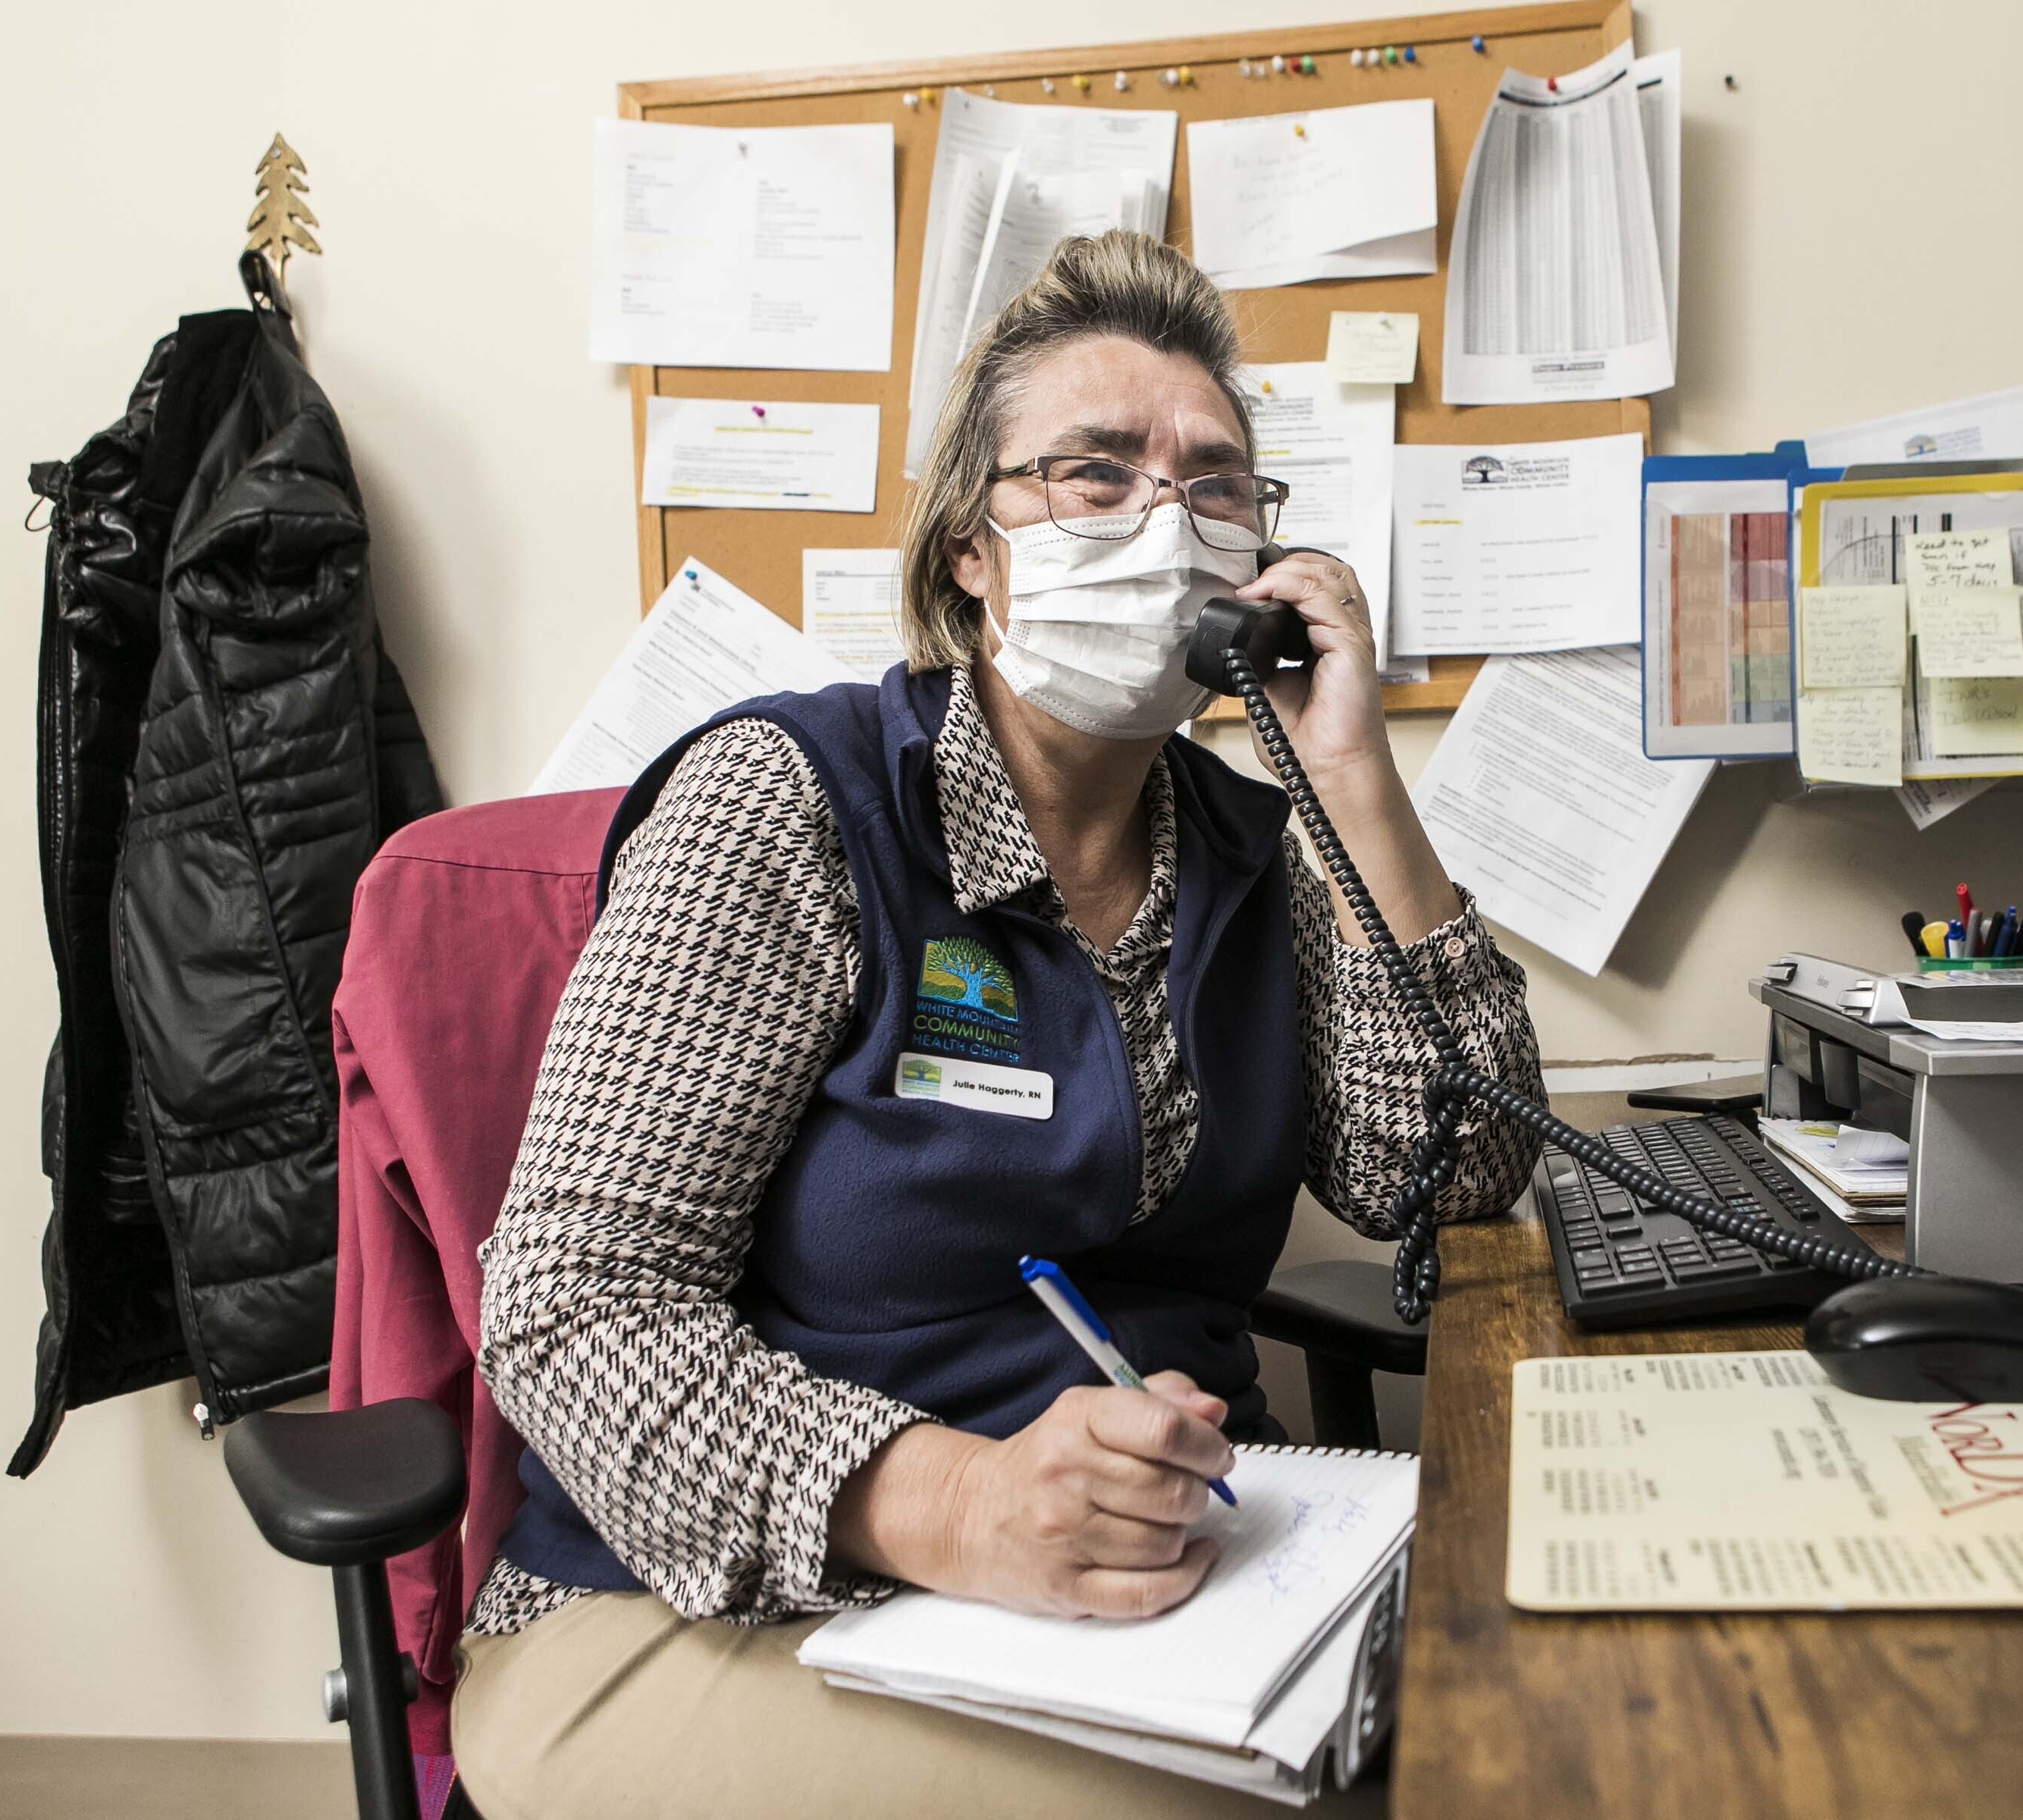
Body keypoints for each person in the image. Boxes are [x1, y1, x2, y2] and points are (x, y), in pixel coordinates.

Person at [450, 231, 1545, 1818]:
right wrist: (958, 1507)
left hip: (1162, 1582)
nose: (1167, 521)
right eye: (1095, 474)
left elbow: (1449, 1173)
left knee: (1519, 1710)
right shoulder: (789, 805)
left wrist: (1358, 780)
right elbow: (567, 1302)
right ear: (973, 549)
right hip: (716, 1599)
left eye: (1215, 487)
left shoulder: (1258, 845)